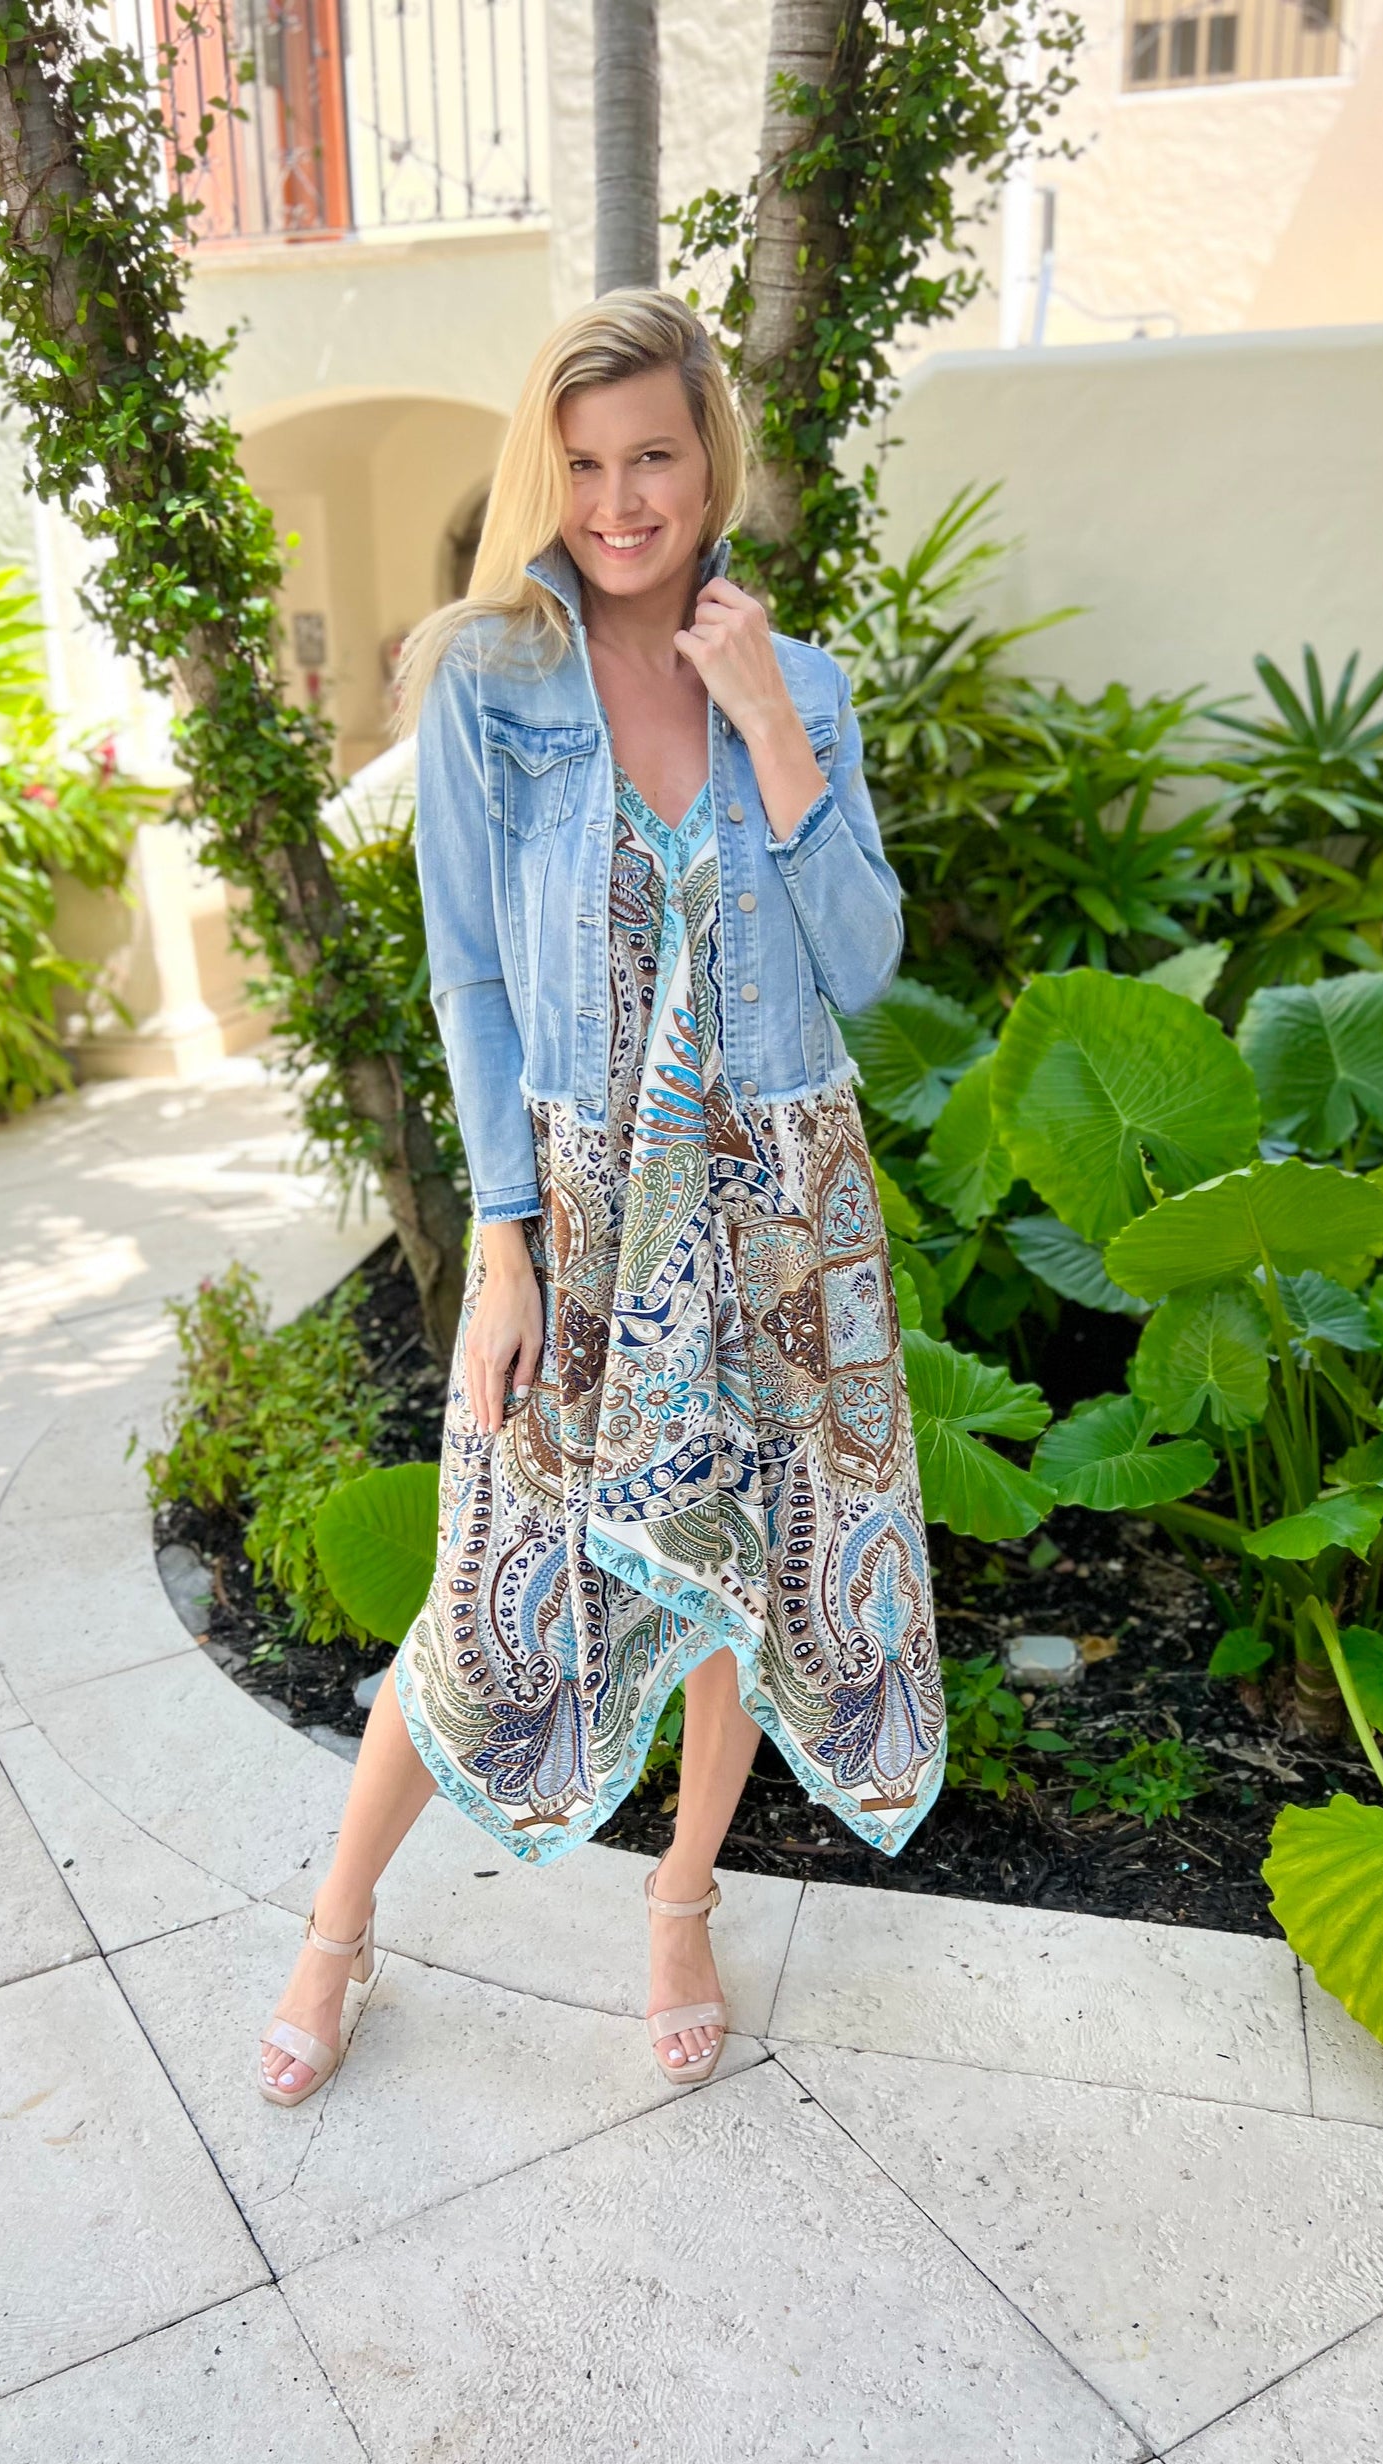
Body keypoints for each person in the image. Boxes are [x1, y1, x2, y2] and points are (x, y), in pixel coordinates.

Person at [259, 287, 945, 2110]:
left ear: (710, 459)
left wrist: (765, 724)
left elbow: (865, 962)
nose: (620, 500)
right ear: (540, 476)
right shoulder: (485, 682)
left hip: (778, 1200)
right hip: (577, 1205)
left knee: (737, 1586)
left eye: (651, 456)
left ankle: (680, 1903)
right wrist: (503, 1251)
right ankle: (336, 1925)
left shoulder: (801, 684)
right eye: (580, 464)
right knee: (485, 1583)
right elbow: (468, 980)